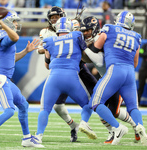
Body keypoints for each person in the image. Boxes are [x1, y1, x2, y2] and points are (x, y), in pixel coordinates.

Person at [0, 10, 44, 148]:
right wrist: (1, 22)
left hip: (6, 79)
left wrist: (25, 51)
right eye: (14, 21)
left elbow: (11, 59)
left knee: (24, 105)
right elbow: (15, 38)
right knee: (9, 111)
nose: (16, 24)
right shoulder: (0, 34)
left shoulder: (4, 34)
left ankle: (26, 138)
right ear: (6, 22)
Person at [38, 6, 97, 142]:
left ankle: (38, 136)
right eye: (52, 18)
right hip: (70, 71)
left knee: (97, 100)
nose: (54, 20)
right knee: (60, 105)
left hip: (71, 70)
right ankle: (78, 125)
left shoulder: (52, 38)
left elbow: (46, 59)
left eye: (56, 17)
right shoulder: (54, 34)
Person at [88, 10, 147, 145]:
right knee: (133, 107)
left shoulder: (110, 28)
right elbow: (135, 62)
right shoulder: (136, 36)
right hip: (130, 72)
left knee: (96, 102)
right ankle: (140, 127)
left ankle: (117, 128)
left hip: (115, 69)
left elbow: (95, 49)